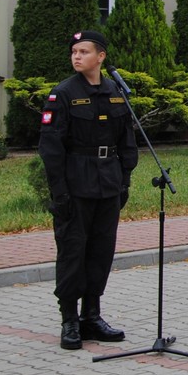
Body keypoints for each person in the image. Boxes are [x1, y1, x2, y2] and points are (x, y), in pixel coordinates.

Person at [39, 30, 138, 350]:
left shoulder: (114, 92)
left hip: (108, 183)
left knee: (100, 250)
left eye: (84, 51)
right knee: (72, 251)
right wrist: (59, 192)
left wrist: (124, 179)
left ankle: (92, 316)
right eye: (74, 52)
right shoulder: (63, 95)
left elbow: (126, 140)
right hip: (76, 185)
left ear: (101, 57)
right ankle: (69, 320)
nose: (77, 56)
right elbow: (51, 147)